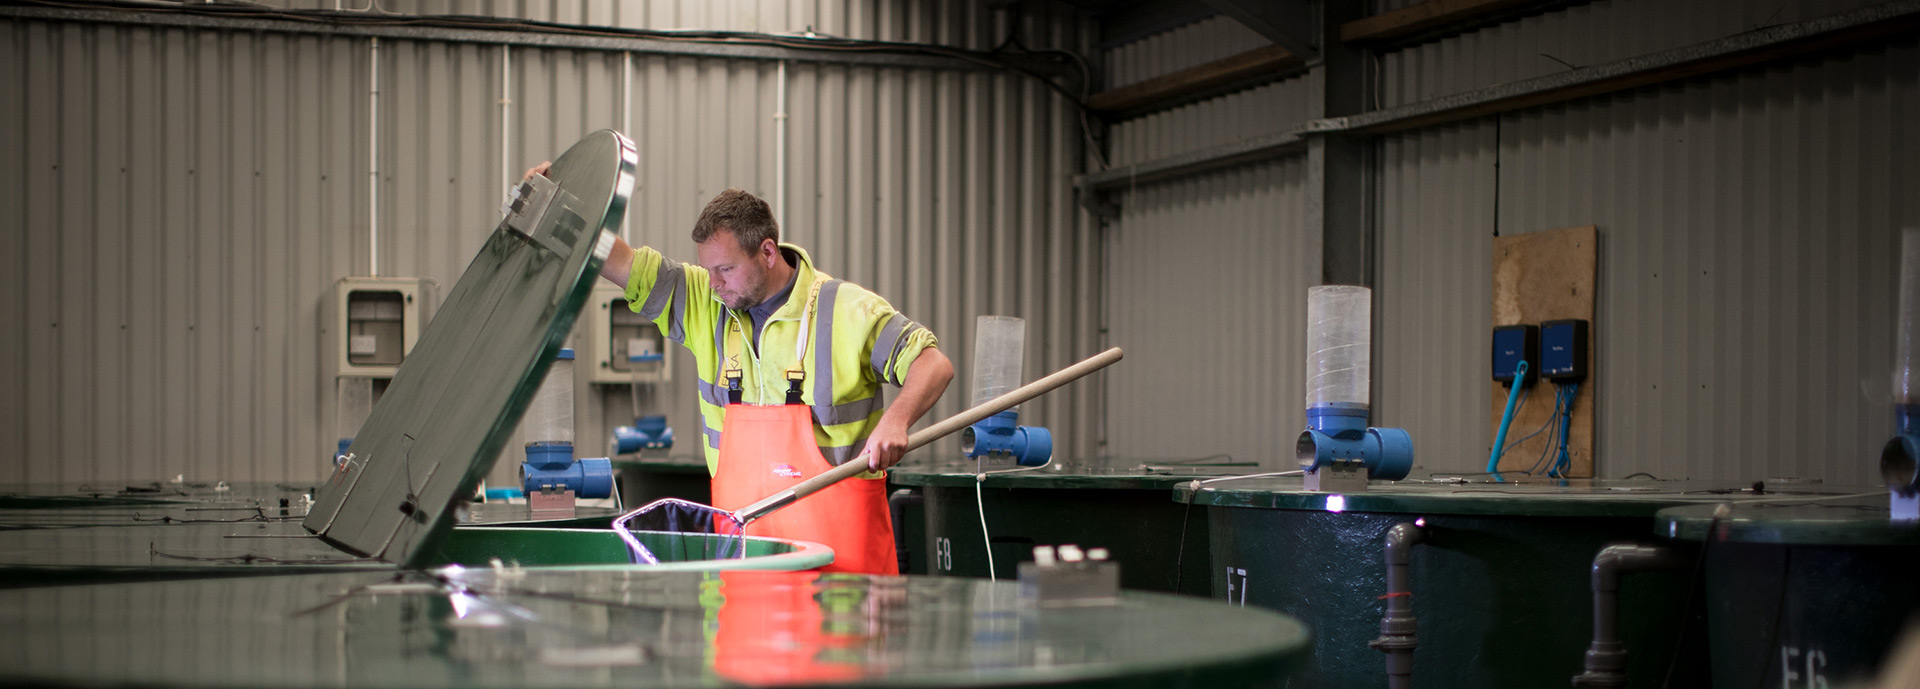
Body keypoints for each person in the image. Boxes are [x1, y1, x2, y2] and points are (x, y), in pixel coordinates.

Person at [523, 163, 954, 575]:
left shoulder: (850, 310)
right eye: (708, 269)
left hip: (841, 579)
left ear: (767, 252)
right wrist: (556, 210)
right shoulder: (703, 305)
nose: (714, 283)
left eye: (725, 269)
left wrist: (897, 420)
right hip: (745, 570)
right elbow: (619, 261)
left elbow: (932, 363)